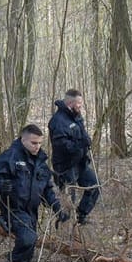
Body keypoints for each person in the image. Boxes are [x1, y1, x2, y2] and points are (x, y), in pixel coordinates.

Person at [0, 124, 68, 262]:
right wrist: (2, 186)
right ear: (23, 140)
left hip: (31, 211)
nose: (37, 147)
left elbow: (47, 190)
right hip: (13, 209)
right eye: (33, 143)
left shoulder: (41, 162)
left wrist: (57, 207)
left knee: (30, 245)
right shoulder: (10, 157)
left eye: (39, 143)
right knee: (27, 238)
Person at [48, 89, 101, 225]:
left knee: (94, 185)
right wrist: (80, 143)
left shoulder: (76, 116)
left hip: (80, 163)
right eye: (79, 103)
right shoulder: (58, 121)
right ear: (70, 103)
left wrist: (86, 139)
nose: (81, 106)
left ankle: (81, 216)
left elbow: (81, 133)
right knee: (68, 200)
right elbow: (62, 146)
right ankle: (66, 227)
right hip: (65, 166)